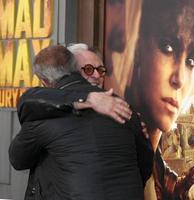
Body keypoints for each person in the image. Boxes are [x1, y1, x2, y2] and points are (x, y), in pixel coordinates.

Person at [9, 45, 153, 199]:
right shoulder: (122, 106)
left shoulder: (43, 115)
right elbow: (145, 164)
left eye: (100, 69)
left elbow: (18, 160)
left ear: (44, 80)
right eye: (89, 69)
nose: (97, 75)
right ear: (74, 69)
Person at [124, 0, 194, 199]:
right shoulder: (116, 147)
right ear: (136, 50)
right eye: (168, 47)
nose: (179, 79)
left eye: (190, 61)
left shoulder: (164, 176)